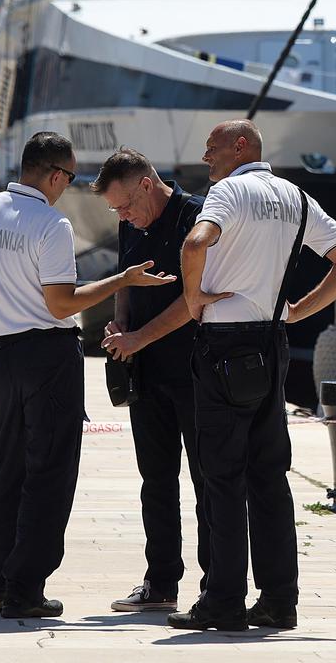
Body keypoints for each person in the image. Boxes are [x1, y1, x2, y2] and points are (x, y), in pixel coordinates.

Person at [0, 131, 173, 620]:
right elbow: (61, 303)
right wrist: (124, 278)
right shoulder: (51, 224)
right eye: (70, 178)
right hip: (47, 357)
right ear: (56, 175)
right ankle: (25, 589)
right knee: (49, 474)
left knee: (5, 470)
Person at [167, 119, 336, 633]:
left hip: (223, 346)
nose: (206, 158)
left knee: (222, 477)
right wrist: (300, 310)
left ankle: (223, 602)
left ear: (240, 147)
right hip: (272, 343)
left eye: (212, 148)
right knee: (269, 477)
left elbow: (195, 243)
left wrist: (192, 299)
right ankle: (280, 600)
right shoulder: (296, 197)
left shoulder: (229, 191)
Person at [91, 148, 209, 613]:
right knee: (155, 481)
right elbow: (126, 281)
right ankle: (160, 583)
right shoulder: (129, 224)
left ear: (146, 184)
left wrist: (140, 337)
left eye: (124, 205)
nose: (122, 216)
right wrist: (121, 327)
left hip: (193, 371)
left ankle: (214, 584)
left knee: (207, 482)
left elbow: (193, 299)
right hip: (145, 374)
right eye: (115, 211)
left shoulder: (195, 218)